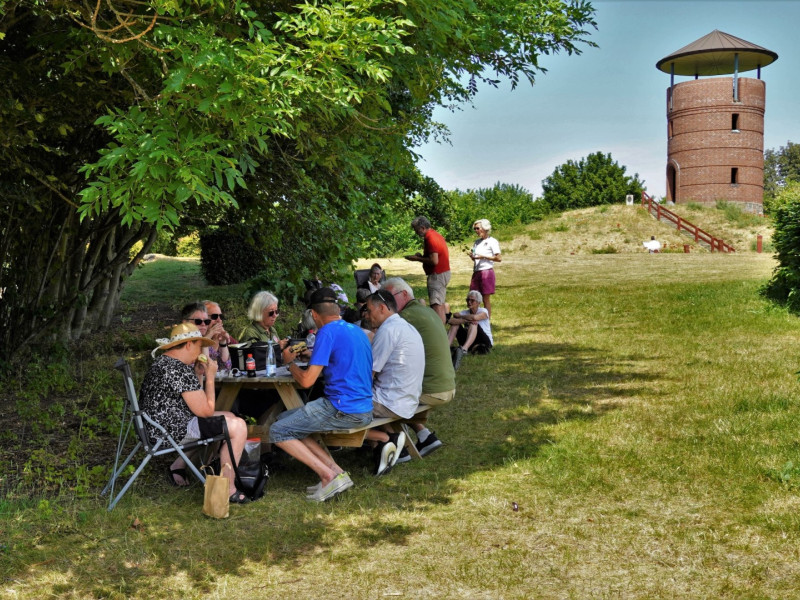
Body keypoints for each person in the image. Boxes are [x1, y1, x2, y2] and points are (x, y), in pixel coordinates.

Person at [270, 287, 373, 502]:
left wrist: (290, 364)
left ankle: (326, 476)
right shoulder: (356, 331)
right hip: (364, 406)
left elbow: (307, 381)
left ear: (314, 315)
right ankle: (337, 473)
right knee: (286, 420)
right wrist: (312, 354)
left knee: (277, 431)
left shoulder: (326, 332)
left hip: (341, 408)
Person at [140, 322, 249, 503]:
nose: (200, 352)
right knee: (238, 426)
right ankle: (227, 491)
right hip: (171, 431)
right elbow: (206, 411)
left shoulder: (164, 363)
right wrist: (210, 378)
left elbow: (194, 402)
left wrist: (198, 374)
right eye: (199, 346)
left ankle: (191, 467)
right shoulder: (178, 370)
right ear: (189, 344)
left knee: (229, 417)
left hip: (157, 427)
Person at [383, 277, 456, 461]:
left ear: (405, 294)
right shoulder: (426, 311)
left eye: (390, 298)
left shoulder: (404, 318)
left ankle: (397, 447)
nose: (386, 304)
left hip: (431, 389)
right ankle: (425, 437)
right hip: (447, 385)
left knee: (383, 398)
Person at [362, 289, 424, 475]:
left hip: (392, 401)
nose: (367, 315)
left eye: (369, 310)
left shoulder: (387, 330)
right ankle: (391, 442)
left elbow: (368, 374)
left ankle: (384, 440)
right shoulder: (406, 327)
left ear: (382, 308)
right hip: (409, 397)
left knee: (340, 404)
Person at [404, 216, 451, 324]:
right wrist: (422, 256)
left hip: (437, 275)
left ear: (423, 227)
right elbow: (432, 256)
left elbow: (434, 261)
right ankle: (441, 332)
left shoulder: (430, 238)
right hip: (442, 273)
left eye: (416, 229)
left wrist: (417, 259)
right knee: (440, 303)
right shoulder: (435, 234)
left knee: (436, 305)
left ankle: (439, 333)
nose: (416, 232)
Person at [448, 290, 493, 369]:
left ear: (478, 302)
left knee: (473, 323)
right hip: (470, 339)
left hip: (483, 342)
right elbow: (451, 319)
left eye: (472, 300)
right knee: (455, 324)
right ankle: (446, 348)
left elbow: (475, 317)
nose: (469, 302)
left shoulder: (483, 311)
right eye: (467, 300)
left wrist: (463, 317)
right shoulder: (466, 312)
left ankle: (464, 350)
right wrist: (464, 320)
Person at [181, 302, 231, 371]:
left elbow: (225, 368)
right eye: (198, 321)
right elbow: (204, 370)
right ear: (185, 322)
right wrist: (206, 340)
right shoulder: (182, 344)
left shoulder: (204, 342)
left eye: (206, 321)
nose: (203, 324)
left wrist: (223, 342)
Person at [468, 219, 501, 317]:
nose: (476, 231)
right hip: (477, 272)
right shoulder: (476, 242)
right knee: (473, 297)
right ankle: (473, 320)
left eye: (478, 228)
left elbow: (499, 258)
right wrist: (473, 257)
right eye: (475, 229)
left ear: (485, 228)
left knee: (485, 298)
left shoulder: (492, 241)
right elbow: (476, 258)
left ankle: (486, 322)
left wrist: (483, 257)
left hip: (487, 272)